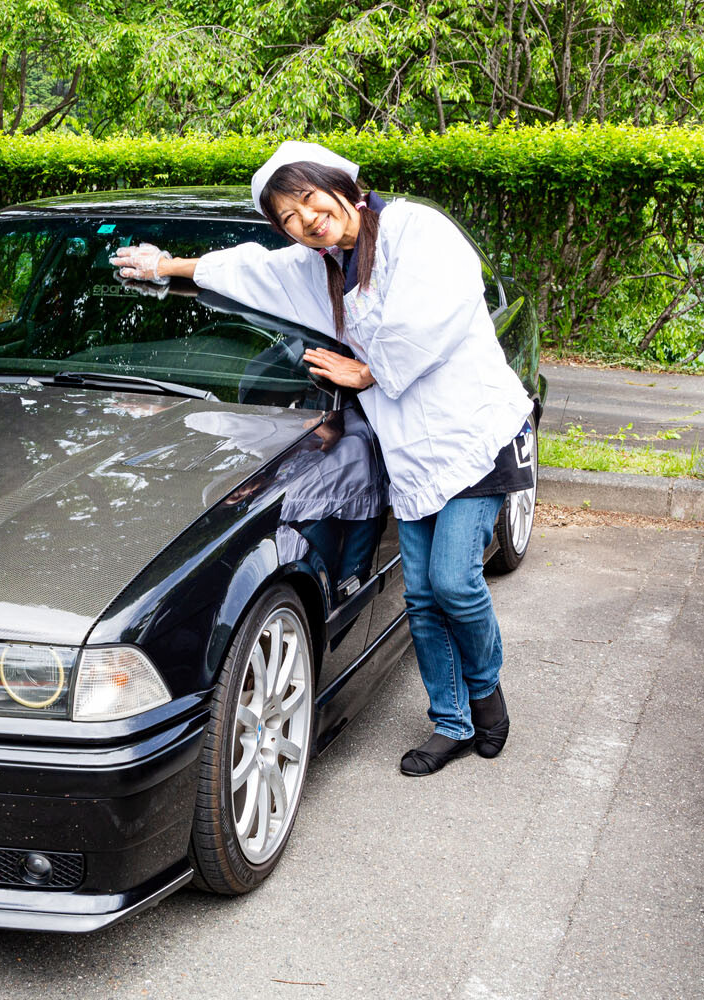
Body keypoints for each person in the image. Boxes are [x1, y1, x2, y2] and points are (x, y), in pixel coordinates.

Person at [110, 141, 533, 777]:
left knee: (453, 581)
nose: (306, 219)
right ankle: (451, 723)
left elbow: (437, 314)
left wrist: (367, 372)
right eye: (288, 217)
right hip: (412, 455)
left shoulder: (418, 230)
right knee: (420, 596)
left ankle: (488, 698)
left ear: (342, 185)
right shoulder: (322, 269)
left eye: (309, 198)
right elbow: (251, 270)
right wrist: (169, 265)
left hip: (471, 438)